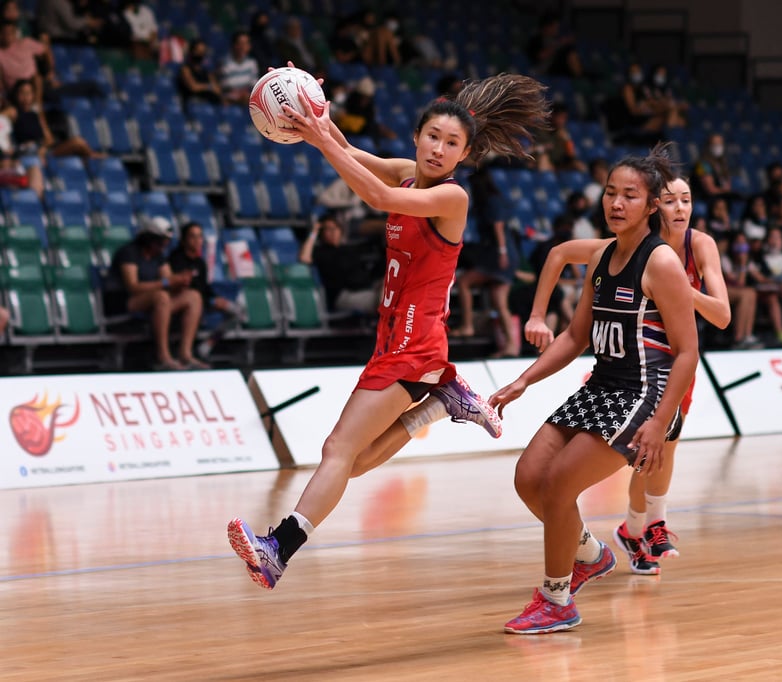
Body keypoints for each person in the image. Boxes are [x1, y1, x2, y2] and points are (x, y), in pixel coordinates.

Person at [227, 70, 548, 590]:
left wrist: (316, 139)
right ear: (417, 136)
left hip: (415, 343)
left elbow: (377, 198)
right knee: (347, 463)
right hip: (396, 335)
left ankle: (277, 550)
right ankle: (443, 403)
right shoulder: (404, 171)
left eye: (452, 144)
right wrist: (320, 125)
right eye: (433, 136)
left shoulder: (452, 199)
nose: (440, 149)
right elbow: (357, 158)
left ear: (464, 155)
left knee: (337, 451)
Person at [491, 147, 699, 634]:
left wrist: (659, 422)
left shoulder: (662, 262)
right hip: (601, 387)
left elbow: (687, 352)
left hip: (642, 397)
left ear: (650, 206)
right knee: (529, 477)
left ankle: (556, 599)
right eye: (610, 192)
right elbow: (575, 336)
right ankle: (588, 553)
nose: (616, 203)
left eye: (630, 195)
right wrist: (524, 380)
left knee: (560, 483)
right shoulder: (602, 257)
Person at [523, 171, 730, 576]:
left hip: (666, 367)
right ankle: (625, 534)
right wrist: (536, 315)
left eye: (686, 200)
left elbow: (721, 316)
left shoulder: (696, 246)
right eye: (671, 200)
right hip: (617, 371)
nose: (680, 209)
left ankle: (644, 525)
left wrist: (674, 286)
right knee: (621, 458)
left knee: (658, 451)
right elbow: (558, 254)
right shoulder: (613, 248)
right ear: (656, 206)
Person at [103, 216, 207, 370]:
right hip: (125, 302)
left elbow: (168, 278)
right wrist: (166, 283)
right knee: (161, 296)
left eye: (165, 242)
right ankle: (163, 356)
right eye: (160, 241)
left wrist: (179, 281)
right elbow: (133, 287)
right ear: (149, 239)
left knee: (193, 296)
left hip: (154, 303)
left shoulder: (159, 255)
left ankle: (186, 354)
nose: (163, 246)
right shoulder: (129, 252)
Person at [450, 162, 520, 357]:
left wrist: (502, 251)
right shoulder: (493, 199)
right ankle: (511, 346)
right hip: (504, 253)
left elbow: (498, 227)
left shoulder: (491, 200)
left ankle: (467, 326)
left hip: (498, 254)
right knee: (500, 301)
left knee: (464, 282)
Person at [167, 221, 240, 360]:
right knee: (194, 299)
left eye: (200, 236)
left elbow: (204, 287)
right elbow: (180, 287)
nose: (197, 241)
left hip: (204, 301)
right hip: (181, 302)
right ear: (184, 239)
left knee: (238, 311)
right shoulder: (176, 259)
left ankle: (206, 346)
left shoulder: (200, 263)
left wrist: (216, 299)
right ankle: (184, 352)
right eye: (192, 237)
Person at [299, 213, 384, 314]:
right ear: (322, 233)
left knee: (394, 284)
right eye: (328, 229)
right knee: (385, 300)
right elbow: (304, 258)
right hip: (344, 295)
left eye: (335, 228)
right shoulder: (320, 252)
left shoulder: (349, 249)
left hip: (368, 287)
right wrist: (314, 232)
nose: (333, 232)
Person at [177, 39, 222, 109]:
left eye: (203, 51)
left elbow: (217, 89)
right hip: (193, 102)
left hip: (208, 103)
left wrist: (211, 87)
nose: (200, 54)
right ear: (192, 51)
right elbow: (193, 87)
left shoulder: (206, 71)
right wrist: (209, 87)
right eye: (198, 51)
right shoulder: (186, 69)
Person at [219, 31, 259, 106]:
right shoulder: (225, 63)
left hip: (247, 97)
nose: (243, 46)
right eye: (241, 43)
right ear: (235, 45)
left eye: (246, 43)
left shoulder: (252, 63)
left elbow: (254, 84)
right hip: (229, 99)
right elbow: (225, 86)